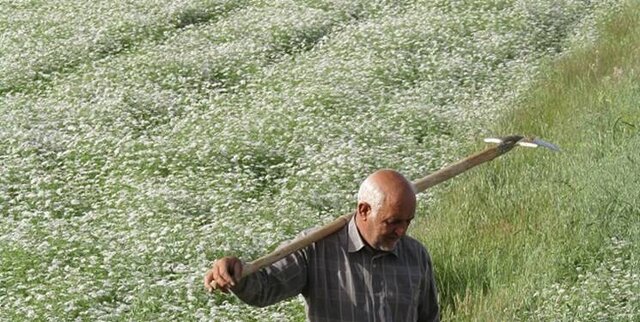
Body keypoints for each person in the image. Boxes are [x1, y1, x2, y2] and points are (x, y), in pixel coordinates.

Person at [204, 169, 439, 321]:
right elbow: (266, 288)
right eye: (393, 222)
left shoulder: (415, 255)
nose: (402, 231)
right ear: (364, 211)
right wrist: (238, 273)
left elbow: (428, 318)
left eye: (408, 221)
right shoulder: (315, 248)